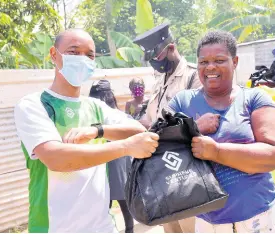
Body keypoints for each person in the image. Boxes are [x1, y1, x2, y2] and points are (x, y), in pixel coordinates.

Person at [14, 29, 159, 233]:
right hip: (54, 227)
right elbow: (57, 159)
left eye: (89, 55)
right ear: (54, 55)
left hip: (102, 226)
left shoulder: (95, 107)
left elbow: (137, 130)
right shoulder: (33, 105)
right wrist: (125, 147)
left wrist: (98, 131)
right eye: (73, 52)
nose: (82, 59)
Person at [167, 30, 275, 233]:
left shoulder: (254, 99)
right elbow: (156, 143)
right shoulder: (183, 102)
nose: (210, 67)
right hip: (207, 222)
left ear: (235, 62)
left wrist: (216, 152)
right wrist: (195, 128)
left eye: (219, 60)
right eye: (203, 62)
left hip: (257, 219)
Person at [132, 22, 202, 233]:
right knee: (171, 229)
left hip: (186, 172)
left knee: (190, 227)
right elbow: (150, 117)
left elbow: (197, 123)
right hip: (162, 171)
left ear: (171, 48)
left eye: (157, 57)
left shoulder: (193, 77)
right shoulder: (160, 80)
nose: (154, 63)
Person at [89, 79, 134, 233]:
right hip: (110, 163)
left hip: (111, 162)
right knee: (117, 204)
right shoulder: (112, 114)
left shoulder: (112, 115)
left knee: (115, 204)